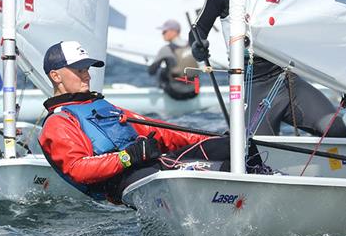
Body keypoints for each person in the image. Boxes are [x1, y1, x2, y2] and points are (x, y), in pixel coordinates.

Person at [37, 41, 268, 204]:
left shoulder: (105, 107)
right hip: (127, 183)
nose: (87, 75)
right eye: (79, 70)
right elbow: (78, 169)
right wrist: (127, 157)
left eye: (87, 69)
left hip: (155, 167)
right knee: (214, 170)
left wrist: (214, 139)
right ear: (56, 76)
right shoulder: (58, 123)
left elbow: (161, 131)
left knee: (235, 145)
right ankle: (247, 203)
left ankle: (270, 183)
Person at [189, 0, 346, 137]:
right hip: (250, 84)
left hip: (285, 78)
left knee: (336, 128)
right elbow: (198, 30)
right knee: (257, 151)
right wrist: (197, 47)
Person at [146, 19, 199, 100]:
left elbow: (151, 71)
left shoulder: (166, 49)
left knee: (162, 71)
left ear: (173, 32)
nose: (162, 34)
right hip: (195, 91)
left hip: (177, 93)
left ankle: (160, 98)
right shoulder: (192, 45)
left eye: (164, 31)